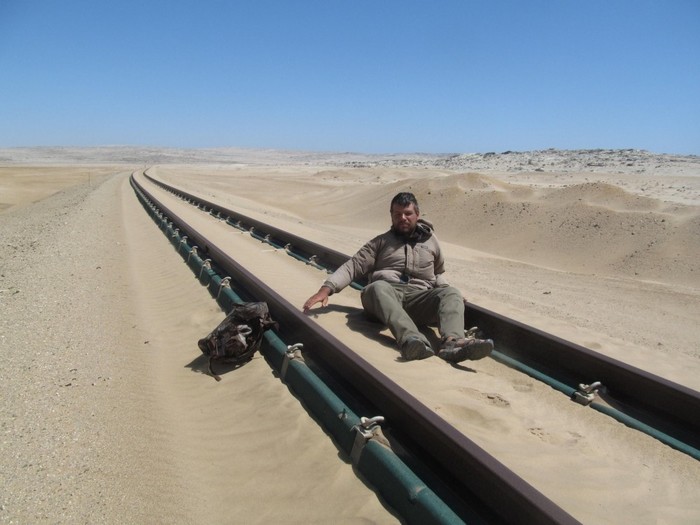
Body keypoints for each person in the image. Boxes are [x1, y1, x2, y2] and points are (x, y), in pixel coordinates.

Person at [302, 192, 494, 363]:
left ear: (417, 214)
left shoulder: (431, 243)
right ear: (392, 216)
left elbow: (437, 274)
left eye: (407, 213)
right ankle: (412, 341)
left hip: (417, 300)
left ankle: (453, 344)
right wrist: (326, 289)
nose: (403, 218)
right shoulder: (380, 242)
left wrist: (450, 294)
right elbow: (353, 266)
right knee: (377, 287)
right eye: (397, 214)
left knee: (451, 292)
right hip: (382, 300)